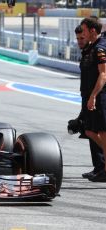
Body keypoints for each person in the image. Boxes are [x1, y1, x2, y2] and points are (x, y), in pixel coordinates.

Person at [73, 25, 105, 179]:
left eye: (82, 37)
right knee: (89, 131)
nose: (79, 41)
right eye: (78, 38)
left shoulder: (98, 49)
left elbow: (102, 74)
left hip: (97, 96)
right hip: (87, 96)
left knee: (96, 131)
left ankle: (101, 167)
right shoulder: (87, 51)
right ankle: (99, 166)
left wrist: (93, 96)